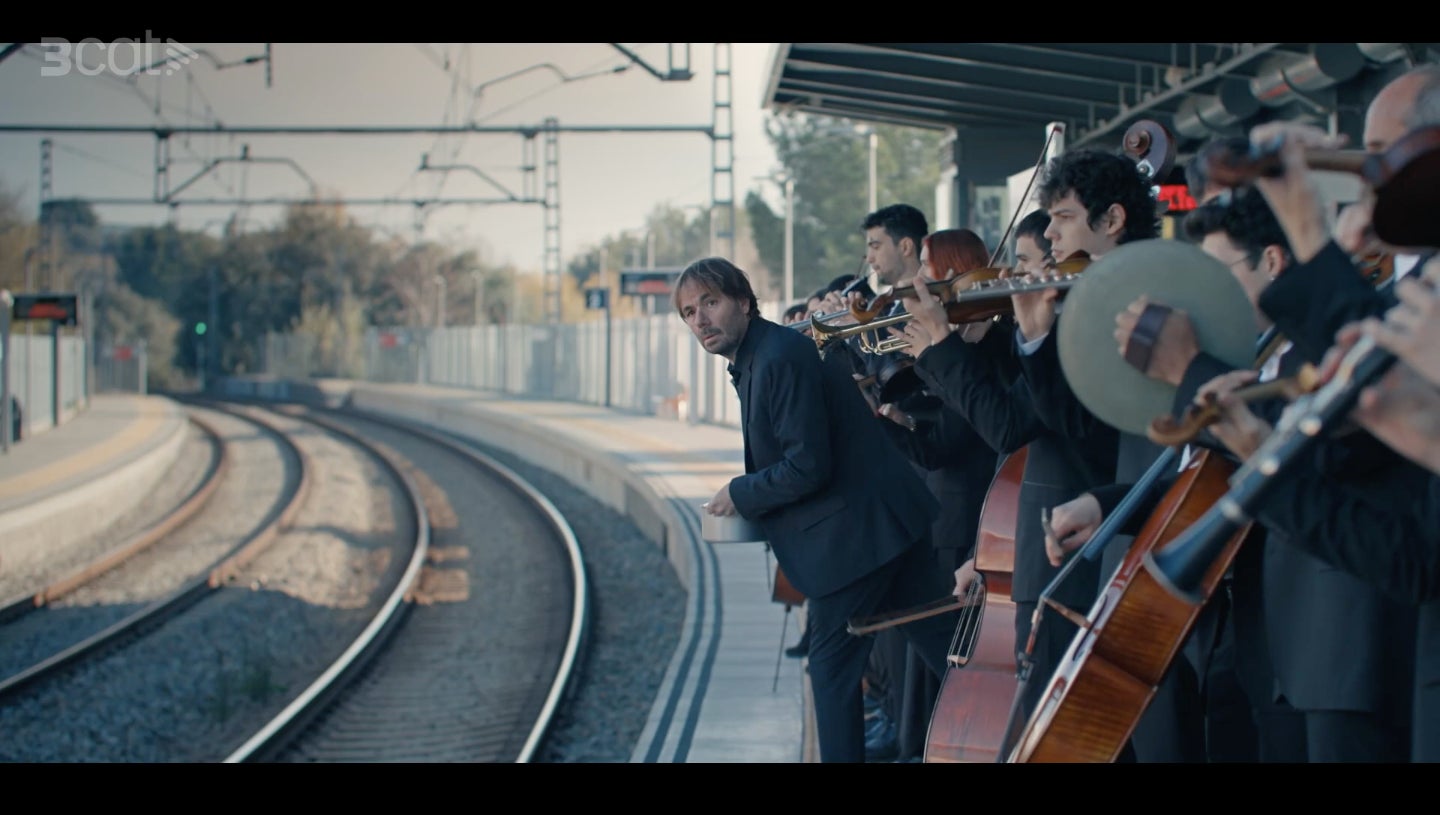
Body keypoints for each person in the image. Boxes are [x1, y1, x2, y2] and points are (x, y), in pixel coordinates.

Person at [676, 256, 956, 763]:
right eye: (689, 312)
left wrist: (740, 493)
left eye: (710, 303)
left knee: (831, 672)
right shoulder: (762, 354)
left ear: (744, 302)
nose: (701, 320)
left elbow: (807, 466)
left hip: (856, 540)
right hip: (880, 528)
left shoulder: (778, 357)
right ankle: (1014, 742)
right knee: (949, 651)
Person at [888, 208, 1113, 752]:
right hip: (1013, 536)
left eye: (1031, 264)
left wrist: (942, 344)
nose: (1015, 279)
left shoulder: (1052, 340)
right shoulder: (1014, 340)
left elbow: (1001, 427)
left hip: (1057, 545)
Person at [871, 227, 1003, 761]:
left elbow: (943, 443)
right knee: (930, 652)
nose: (921, 278)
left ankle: (935, 746)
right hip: (947, 515)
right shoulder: (963, 348)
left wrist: (881, 423)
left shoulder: (980, 351)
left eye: (929, 268)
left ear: (951, 272)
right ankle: (918, 744)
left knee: (946, 654)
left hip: (963, 516)